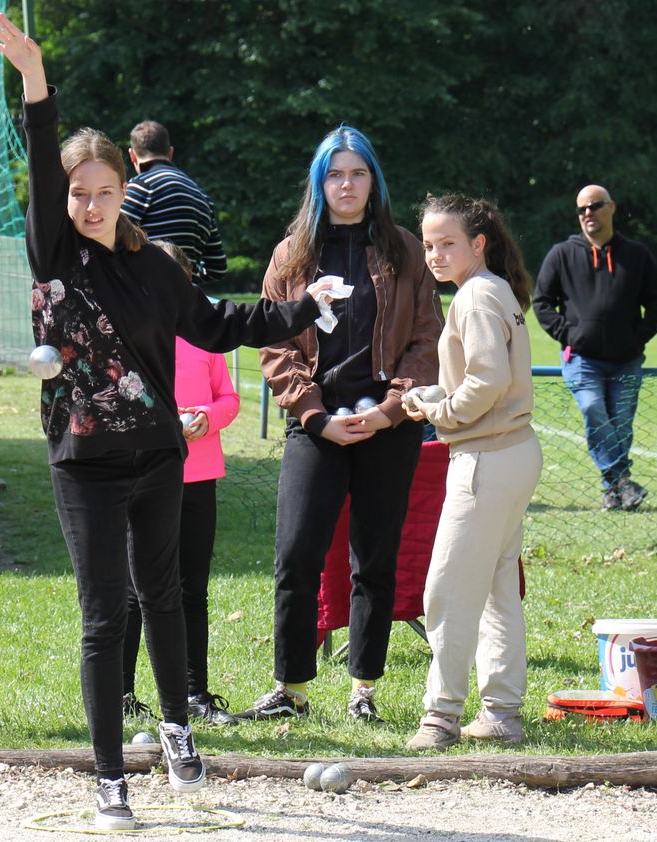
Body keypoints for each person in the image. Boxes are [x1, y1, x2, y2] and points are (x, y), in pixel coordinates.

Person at [0, 11, 332, 831]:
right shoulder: (53, 253)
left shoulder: (152, 265)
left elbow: (219, 325)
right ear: (62, 200)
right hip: (83, 462)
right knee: (104, 618)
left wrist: (300, 308)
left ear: (125, 192)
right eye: (79, 194)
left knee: (164, 596)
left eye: (105, 193)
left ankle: (176, 730)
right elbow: (40, 158)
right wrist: (36, 82)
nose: (92, 205)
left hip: (158, 458)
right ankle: (110, 780)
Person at [245, 125, 444, 724]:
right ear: (319, 182)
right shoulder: (292, 255)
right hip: (317, 425)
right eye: (335, 174)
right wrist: (313, 415)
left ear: (373, 181)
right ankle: (292, 689)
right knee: (297, 554)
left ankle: (364, 690)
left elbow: (427, 337)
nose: (347, 184)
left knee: (374, 559)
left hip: (390, 426)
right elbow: (275, 346)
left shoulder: (405, 249)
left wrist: (390, 410)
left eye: (358, 173)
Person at [402, 193, 542, 751]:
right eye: (429, 244)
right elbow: (487, 379)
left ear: (478, 244)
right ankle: (502, 712)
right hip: (512, 452)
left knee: (448, 590)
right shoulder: (491, 290)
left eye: (447, 244)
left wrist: (440, 411)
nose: (435, 254)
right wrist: (435, 397)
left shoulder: (477, 296)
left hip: (487, 458)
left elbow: (487, 384)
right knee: (495, 588)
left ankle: (441, 717)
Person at [121, 240, 241, 727]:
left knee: (193, 589)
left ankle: (196, 693)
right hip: (142, 475)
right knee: (132, 591)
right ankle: (122, 694)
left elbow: (229, 399)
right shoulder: (125, 332)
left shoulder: (206, 337)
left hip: (198, 475)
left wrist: (206, 420)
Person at [532, 185, 657, 511]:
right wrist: (569, 334)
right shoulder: (562, 254)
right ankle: (622, 482)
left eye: (594, 206)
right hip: (582, 359)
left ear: (611, 208)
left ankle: (613, 491)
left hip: (627, 359)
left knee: (620, 423)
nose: (588, 213)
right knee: (594, 411)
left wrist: (638, 338)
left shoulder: (636, 254)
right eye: (582, 209)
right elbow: (542, 302)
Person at [121, 119, 227, 285]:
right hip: (188, 301)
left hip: (148, 295)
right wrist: (187, 280)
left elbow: (114, 237)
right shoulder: (202, 196)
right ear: (170, 153)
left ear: (132, 155)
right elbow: (217, 268)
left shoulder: (141, 187)